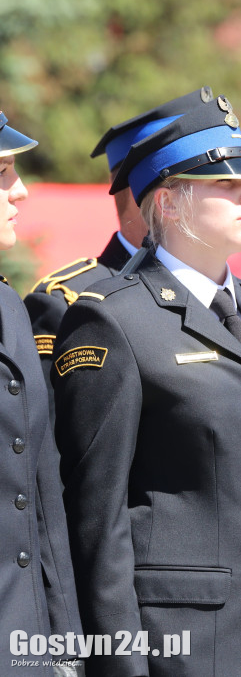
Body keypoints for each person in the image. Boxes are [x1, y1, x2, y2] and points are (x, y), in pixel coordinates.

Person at [51, 95, 241, 676]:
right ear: (168, 201)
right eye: (226, 184)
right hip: (187, 649)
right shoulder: (114, 320)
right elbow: (97, 520)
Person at [24, 87, 215, 415]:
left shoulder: (225, 294)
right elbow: (50, 448)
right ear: (142, 189)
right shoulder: (69, 300)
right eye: (196, 181)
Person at [0, 112, 83, 676]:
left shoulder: (9, 304)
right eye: (3, 171)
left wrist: (64, 650)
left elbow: (41, 493)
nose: (21, 190)